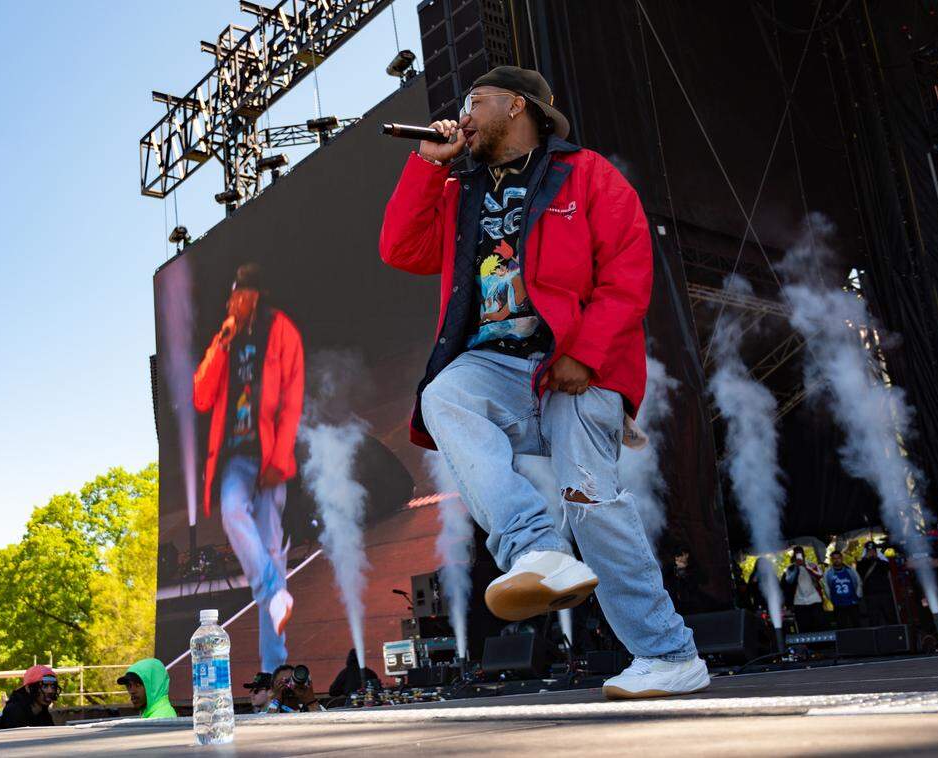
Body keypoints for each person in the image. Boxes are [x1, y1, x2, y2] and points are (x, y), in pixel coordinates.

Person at [379, 64, 708, 700]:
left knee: (589, 500)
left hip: (577, 365)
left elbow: (628, 270)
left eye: (478, 100)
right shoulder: (459, 187)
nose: (465, 111)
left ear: (519, 106)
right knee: (444, 393)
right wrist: (426, 166)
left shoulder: (586, 174)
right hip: (496, 366)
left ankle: (670, 654)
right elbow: (400, 249)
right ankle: (533, 549)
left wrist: (585, 355)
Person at [193, 262, 305, 673]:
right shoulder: (227, 336)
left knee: (272, 552)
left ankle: (275, 672)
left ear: (254, 294)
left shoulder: (283, 332)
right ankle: (274, 591)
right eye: (230, 296)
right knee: (231, 511)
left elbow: (292, 400)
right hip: (236, 458)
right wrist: (222, 342)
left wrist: (279, 460)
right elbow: (202, 396)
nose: (232, 302)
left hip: (270, 456)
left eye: (239, 294)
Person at [0, 665, 58, 730]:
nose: (50, 691)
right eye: (45, 686)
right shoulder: (14, 711)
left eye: (53, 686)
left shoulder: (43, 713)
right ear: (28, 688)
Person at [782, 547, 826, 632]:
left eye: (800, 554)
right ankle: (807, 645)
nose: (799, 556)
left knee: (819, 625)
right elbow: (789, 581)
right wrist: (796, 568)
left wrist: (806, 566)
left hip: (815, 600)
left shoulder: (811, 564)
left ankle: (823, 645)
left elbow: (820, 575)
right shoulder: (790, 568)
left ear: (803, 555)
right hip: (799, 602)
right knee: (805, 627)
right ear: (794, 556)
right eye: (797, 554)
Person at [857, 541, 897, 625]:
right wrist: (866, 559)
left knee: (890, 616)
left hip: (885, 594)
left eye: (873, 551)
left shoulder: (882, 562)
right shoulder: (862, 564)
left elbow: (888, 568)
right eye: (869, 551)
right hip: (871, 596)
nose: (871, 552)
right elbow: (860, 571)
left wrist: (877, 558)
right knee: (874, 619)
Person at [823, 550, 863, 629]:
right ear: (831, 560)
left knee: (857, 624)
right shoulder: (828, 573)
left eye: (838, 558)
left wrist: (858, 595)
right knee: (842, 626)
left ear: (842, 558)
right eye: (834, 558)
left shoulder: (850, 570)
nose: (837, 560)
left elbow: (858, 582)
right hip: (838, 604)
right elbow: (826, 586)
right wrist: (831, 599)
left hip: (852, 602)